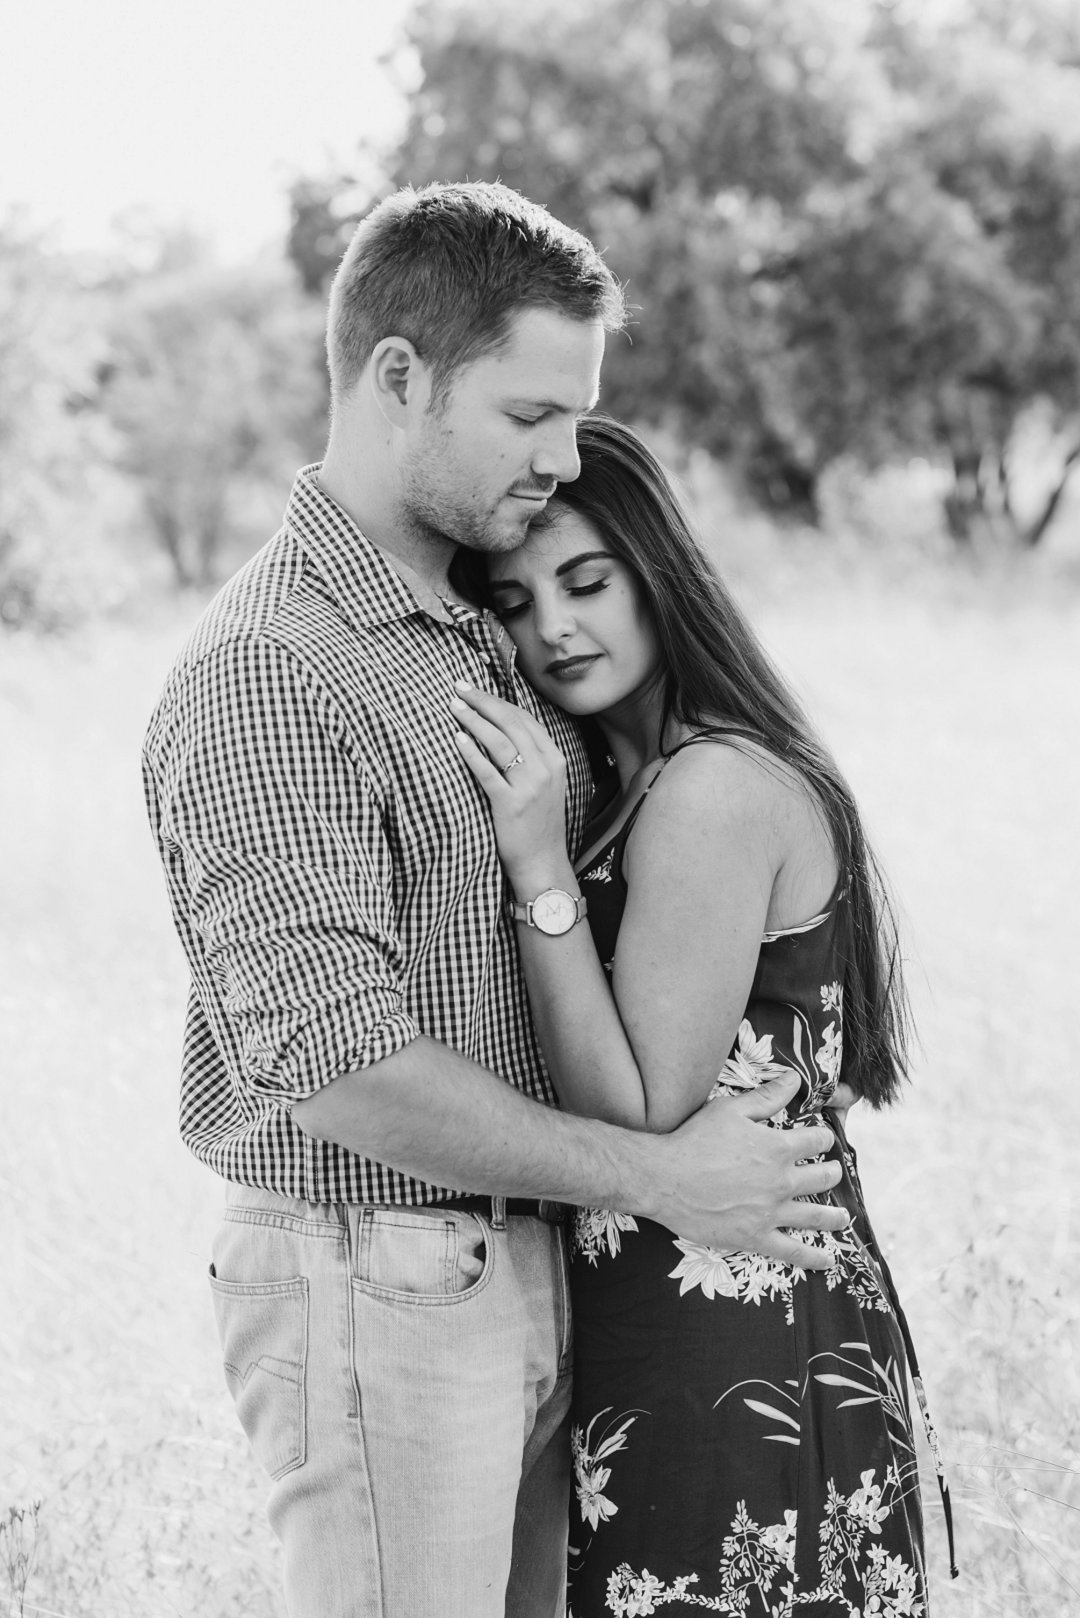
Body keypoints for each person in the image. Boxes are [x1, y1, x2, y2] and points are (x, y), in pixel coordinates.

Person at [142, 182, 850, 1618]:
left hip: (530, 1264)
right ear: (400, 377)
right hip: (379, 1271)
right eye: (529, 413)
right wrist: (654, 1176)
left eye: (575, 416)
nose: (564, 454)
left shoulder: (478, 621)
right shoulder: (273, 671)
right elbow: (339, 1067)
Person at [450, 414, 957, 1616]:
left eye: (587, 582)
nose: (553, 627)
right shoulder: (640, 784)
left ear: (658, 571)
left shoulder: (710, 787)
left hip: (734, 1325)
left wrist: (539, 870)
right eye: (515, 603)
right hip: (682, 1302)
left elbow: (642, 1105)